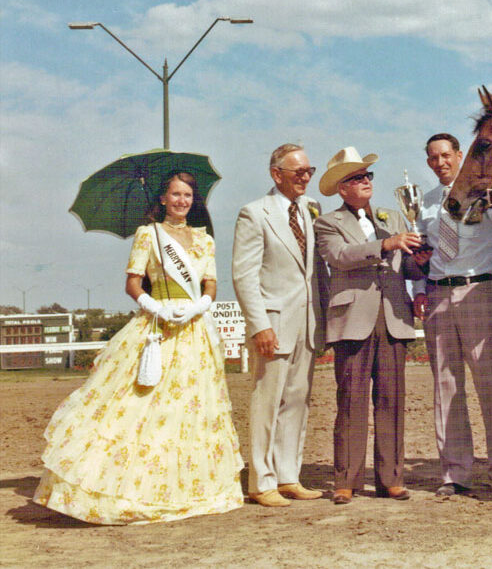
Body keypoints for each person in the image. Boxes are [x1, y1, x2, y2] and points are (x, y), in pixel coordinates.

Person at [33, 172, 244, 524]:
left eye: (188, 195)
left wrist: (198, 306)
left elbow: (210, 285)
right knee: (143, 406)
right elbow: (132, 283)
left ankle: (190, 488)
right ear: (162, 199)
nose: (182, 201)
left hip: (194, 332)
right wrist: (155, 306)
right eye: (175, 194)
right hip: (157, 327)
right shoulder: (149, 235)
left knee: (189, 410)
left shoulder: (204, 240)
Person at [314, 146, 431, 505]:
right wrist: (385, 243)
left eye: (368, 176)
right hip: (352, 320)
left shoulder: (393, 217)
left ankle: (390, 478)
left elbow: (406, 268)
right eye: (357, 177)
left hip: (394, 317)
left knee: (392, 400)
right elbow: (339, 257)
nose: (365, 181)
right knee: (350, 401)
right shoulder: (328, 222)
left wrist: (421, 262)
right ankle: (345, 481)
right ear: (341, 188)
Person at [411, 133, 492, 497]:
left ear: (460, 155)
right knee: (446, 386)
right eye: (433, 157)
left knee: (488, 382)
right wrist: (418, 290)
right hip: (438, 294)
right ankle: (455, 472)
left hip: (477, 290)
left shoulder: (485, 194)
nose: (440, 162)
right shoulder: (425, 204)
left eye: (446, 155)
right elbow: (420, 253)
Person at [232, 144, 328, 507]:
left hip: (307, 323)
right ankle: (261, 480)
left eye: (309, 170)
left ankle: (289, 475)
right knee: (266, 403)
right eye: (298, 172)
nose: (305, 177)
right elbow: (244, 276)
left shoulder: (310, 210)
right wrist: (259, 325)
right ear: (277, 174)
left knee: (297, 403)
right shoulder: (254, 214)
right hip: (272, 324)